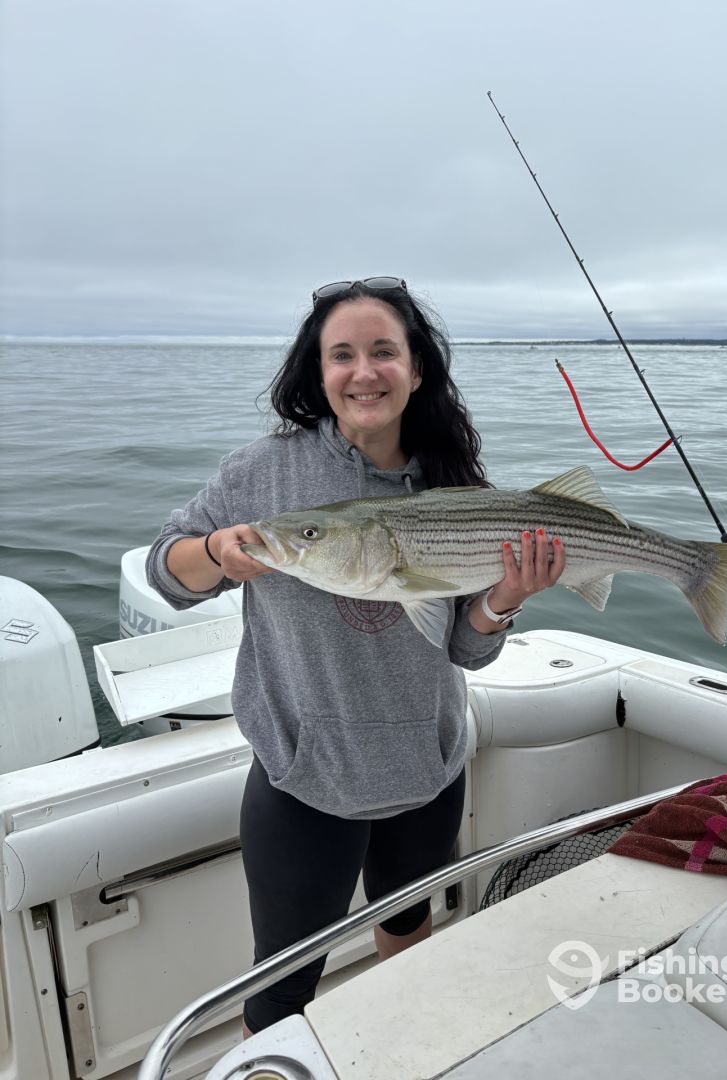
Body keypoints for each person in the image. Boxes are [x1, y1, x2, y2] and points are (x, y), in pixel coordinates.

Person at [146, 277, 566, 1034]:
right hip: (306, 775)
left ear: (416, 368)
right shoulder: (260, 474)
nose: (363, 372)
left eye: (383, 352)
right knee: (282, 983)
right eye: (342, 354)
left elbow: (465, 650)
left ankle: (406, 1049)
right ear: (318, 371)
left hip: (426, 767)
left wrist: (504, 599)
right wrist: (213, 551)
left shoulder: (455, 484)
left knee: (408, 931)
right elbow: (165, 573)